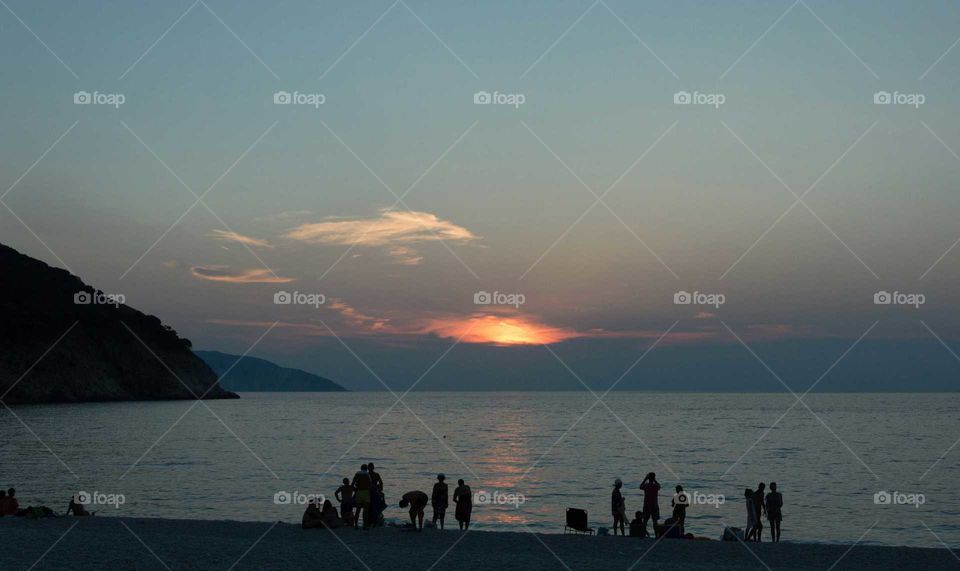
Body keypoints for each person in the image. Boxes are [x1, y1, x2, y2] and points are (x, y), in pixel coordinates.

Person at [351, 464, 373, 529]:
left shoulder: (357, 474)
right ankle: (365, 525)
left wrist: (355, 490)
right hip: (366, 493)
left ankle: (356, 525)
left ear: (361, 468)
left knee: (358, 510)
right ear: (366, 469)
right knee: (365, 511)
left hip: (359, 492)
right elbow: (370, 485)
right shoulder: (367, 475)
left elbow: (352, 484)